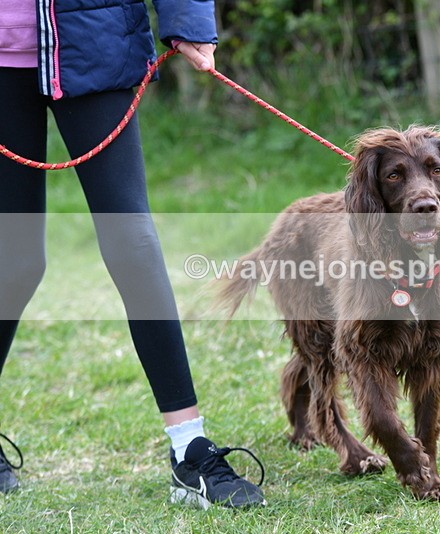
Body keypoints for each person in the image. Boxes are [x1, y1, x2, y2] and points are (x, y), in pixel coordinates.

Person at [0, 0, 265, 508]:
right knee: (15, 261)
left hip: (92, 36)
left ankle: (189, 450)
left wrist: (187, 21)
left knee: (132, 242)